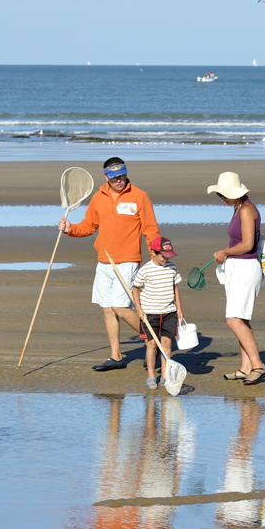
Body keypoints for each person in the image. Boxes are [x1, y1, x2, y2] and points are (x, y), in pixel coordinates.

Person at [59, 157, 160, 371]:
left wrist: (156, 259)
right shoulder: (98, 197)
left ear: (126, 173)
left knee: (120, 307)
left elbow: (150, 230)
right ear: (106, 177)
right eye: (114, 177)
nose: (119, 181)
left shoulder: (139, 196)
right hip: (104, 261)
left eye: (121, 176)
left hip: (127, 261)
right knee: (107, 309)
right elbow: (88, 226)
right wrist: (70, 229)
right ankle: (116, 357)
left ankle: (152, 340)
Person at [207, 171, 265, 384]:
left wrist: (225, 252)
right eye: (219, 195)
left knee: (233, 320)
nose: (222, 198)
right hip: (237, 267)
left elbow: (248, 244)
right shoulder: (238, 207)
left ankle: (258, 365)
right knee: (241, 319)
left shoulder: (247, 209)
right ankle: (245, 367)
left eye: (224, 194)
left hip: (245, 267)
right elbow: (239, 243)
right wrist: (225, 253)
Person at [130, 236, 184, 390]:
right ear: (153, 252)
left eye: (168, 256)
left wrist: (179, 308)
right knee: (152, 344)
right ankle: (151, 375)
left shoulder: (172, 268)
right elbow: (135, 289)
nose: (166, 259)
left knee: (167, 344)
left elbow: (175, 288)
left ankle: (165, 375)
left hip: (169, 312)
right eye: (163, 256)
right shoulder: (145, 269)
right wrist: (139, 309)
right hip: (150, 313)